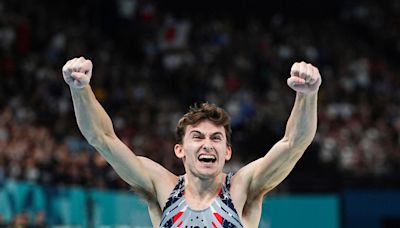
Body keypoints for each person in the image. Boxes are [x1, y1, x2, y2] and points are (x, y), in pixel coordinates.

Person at [62, 56, 321, 227]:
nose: (207, 144)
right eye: (197, 137)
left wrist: (308, 96)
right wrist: (80, 90)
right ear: (180, 150)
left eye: (216, 138)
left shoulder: (243, 188)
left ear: (227, 152)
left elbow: (293, 145)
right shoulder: (161, 187)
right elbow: (103, 138)